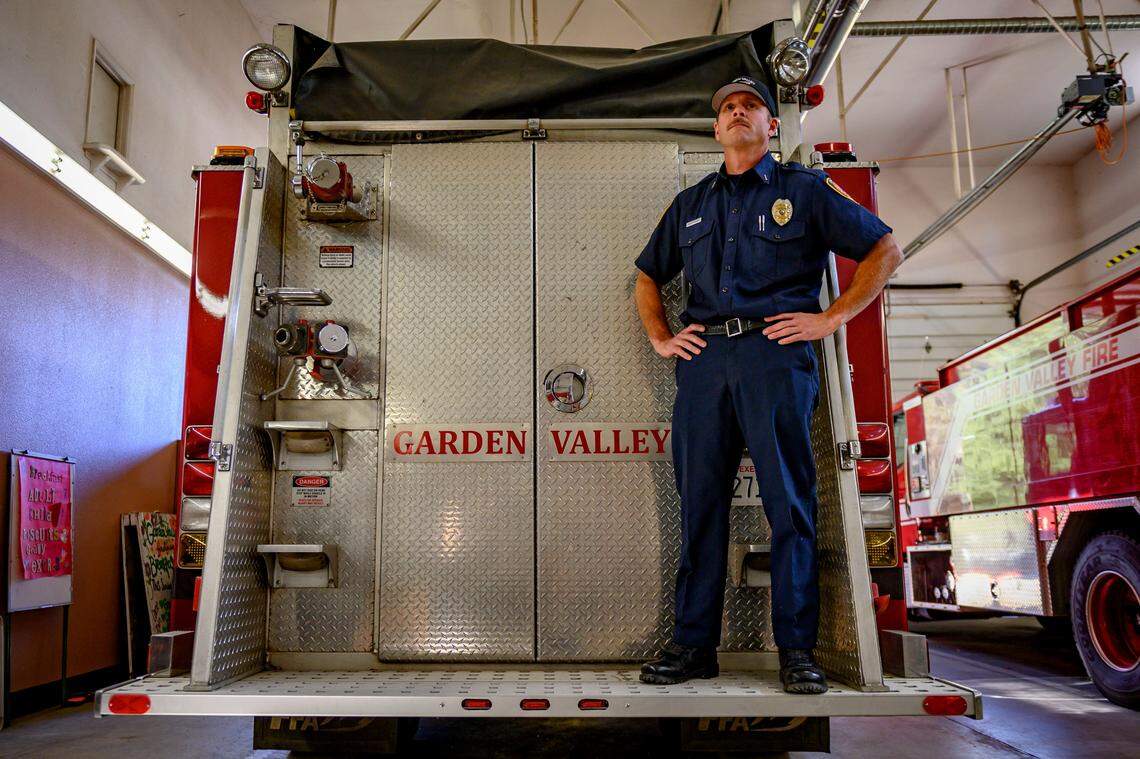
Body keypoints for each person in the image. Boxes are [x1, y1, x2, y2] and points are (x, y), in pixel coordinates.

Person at [634, 75, 903, 693]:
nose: (736, 113)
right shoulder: (691, 203)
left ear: (770, 125)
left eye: (749, 106)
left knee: (789, 505)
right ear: (715, 129)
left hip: (775, 357)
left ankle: (797, 653)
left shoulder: (803, 190)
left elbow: (884, 250)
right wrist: (661, 337)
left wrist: (830, 319)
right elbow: (648, 276)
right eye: (726, 107)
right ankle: (694, 647)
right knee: (699, 507)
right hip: (704, 363)